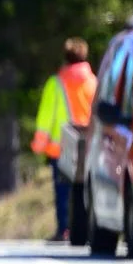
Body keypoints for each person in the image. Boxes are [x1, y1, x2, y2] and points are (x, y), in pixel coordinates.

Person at [31, 37, 97, 241]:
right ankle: (87, 228)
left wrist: (39, 144)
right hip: (89, 145)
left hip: (61, 147)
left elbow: (45, 117)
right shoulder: (94, 82)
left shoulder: (56, 83)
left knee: (63, 192)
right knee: (85, 188)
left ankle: (64, 230)